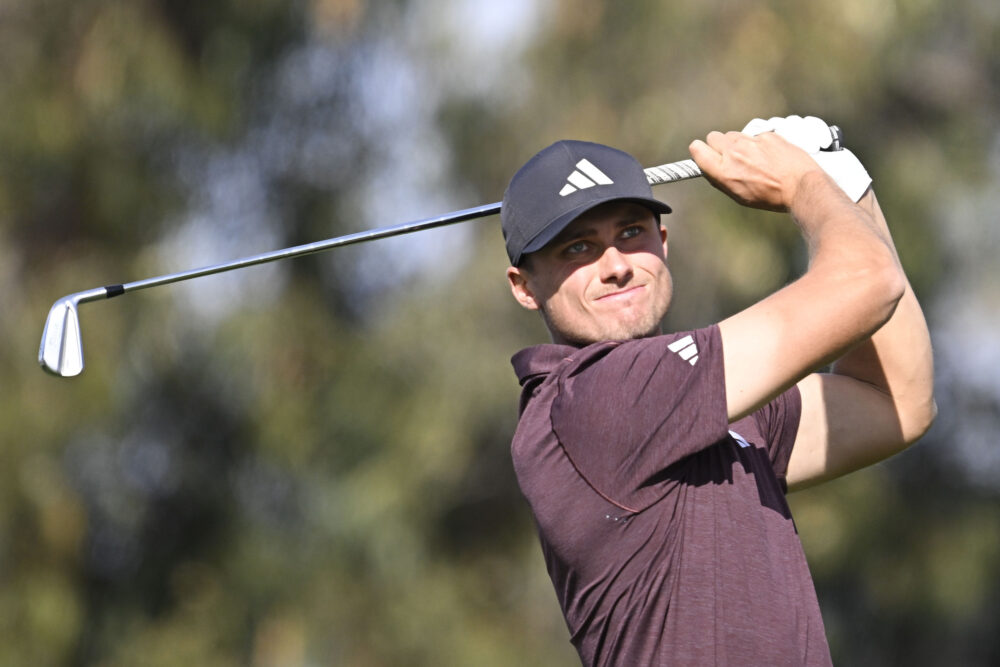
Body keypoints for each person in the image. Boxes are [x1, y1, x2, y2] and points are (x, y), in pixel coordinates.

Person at [499, 116, 936, 666]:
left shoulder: (707, 403)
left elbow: (896, 400)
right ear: (525, 287)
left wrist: (849, 189)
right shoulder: (587, 401)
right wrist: (807, 184)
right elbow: (869, 283)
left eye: (630, 233)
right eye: (577, 249)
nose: (615, 267)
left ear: (663, 241)